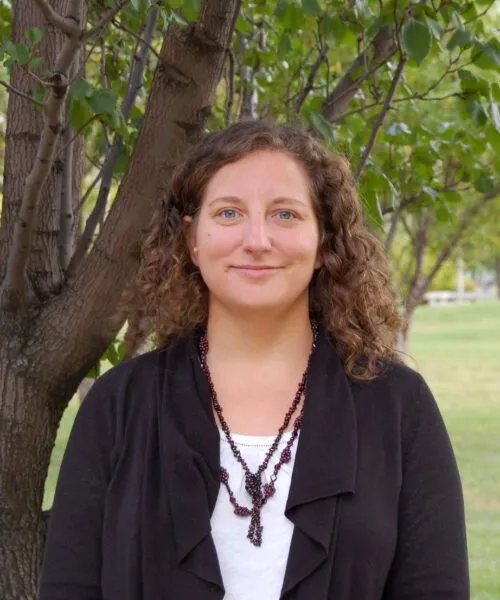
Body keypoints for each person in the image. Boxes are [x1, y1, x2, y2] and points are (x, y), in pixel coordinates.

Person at [38, 120, 469, 600]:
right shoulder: (119, 405)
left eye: (285, 215)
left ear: (324, 242)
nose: (257, 240)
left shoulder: (397, 407)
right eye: (228, 214)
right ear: (192, 240)